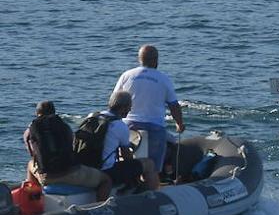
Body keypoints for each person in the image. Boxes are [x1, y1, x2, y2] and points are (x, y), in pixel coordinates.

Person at [112, 44, 184, 175]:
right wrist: (179, 124)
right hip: (154, 127)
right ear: (156, 60)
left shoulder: (126, 75)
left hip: (129, 127)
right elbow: (174, 106)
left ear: (139, 59)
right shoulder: (163, 79)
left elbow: (114, 101)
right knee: (154, 166)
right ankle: (158, 177)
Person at [23, 100, 111, 201]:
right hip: (69, 173)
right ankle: (100, 209)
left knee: (30, 165)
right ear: (54, 112)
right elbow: (71, 147)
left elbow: (31, 152)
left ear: (37, 113)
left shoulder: (33, 128)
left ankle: (33, 201)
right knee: (105, 180)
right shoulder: (63, 126)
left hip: (45, 176)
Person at [84, 91, 160, 192]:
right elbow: (126, 157)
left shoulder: (92, 117)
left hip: (86, 165)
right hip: (106, 171)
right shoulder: (120, 126)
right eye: (129, 107)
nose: (129, 110)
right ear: (124, 108)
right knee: (149, 164)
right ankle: (148, 195)